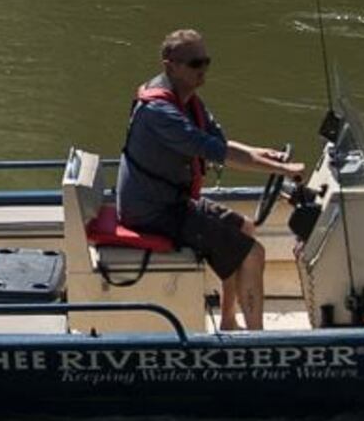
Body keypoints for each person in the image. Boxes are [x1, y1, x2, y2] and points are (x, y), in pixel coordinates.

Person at [117, 28, 296, 332]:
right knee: (253, 252)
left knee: (245, 228)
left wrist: (261, 153)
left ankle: (228, 320)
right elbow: (213, 151)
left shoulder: (188, 101)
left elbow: (219, 141)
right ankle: (258, 340)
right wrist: (285, 172)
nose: (203, 70)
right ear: (169, 65)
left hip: (172, 203)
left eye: (206, 61)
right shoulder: (160, 111)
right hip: (152, 212)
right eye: (194, 63)